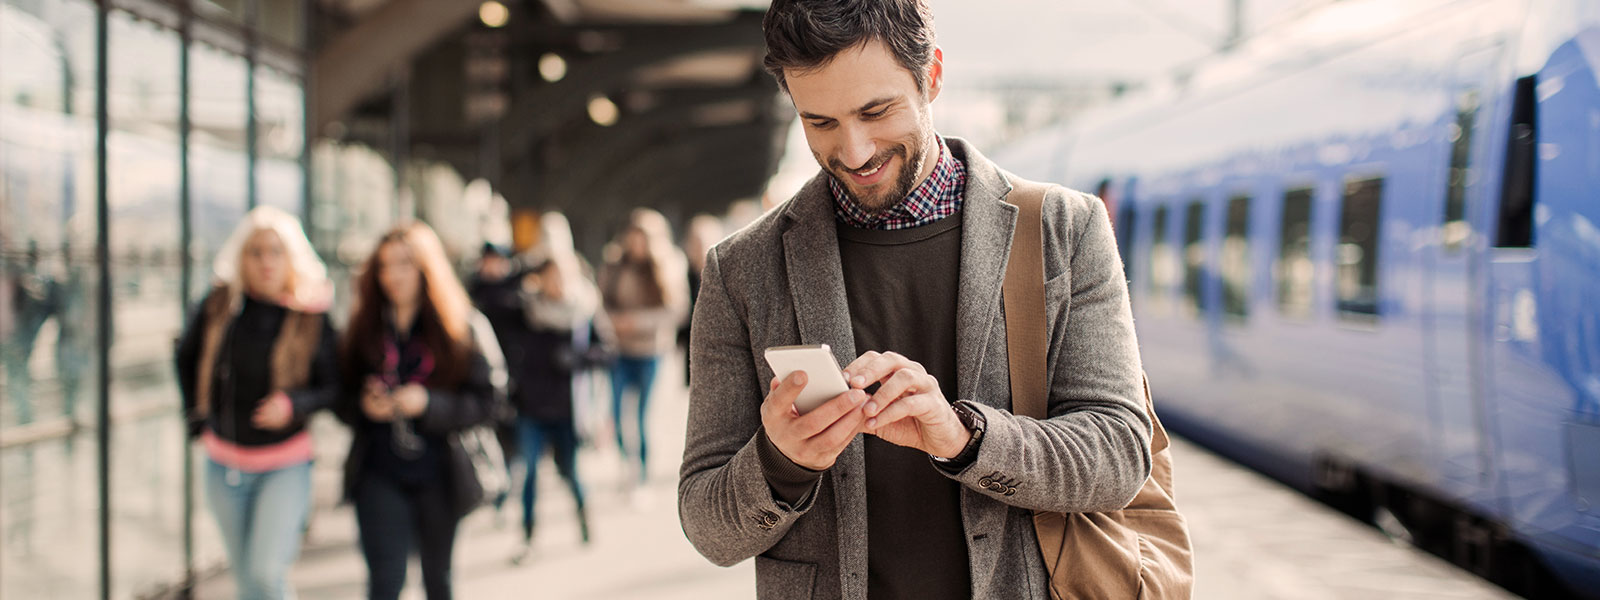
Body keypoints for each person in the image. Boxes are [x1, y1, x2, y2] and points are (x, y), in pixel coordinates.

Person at [677, 2, 1154, 599]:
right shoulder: (741, 270)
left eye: (875, 112)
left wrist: (963, 439)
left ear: (931, 76)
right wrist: (778, 463)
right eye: (820, 122)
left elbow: (1119, 453)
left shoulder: (1064, 228)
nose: (853, 151)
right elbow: (706, 525)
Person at [175, 206, 339, 600]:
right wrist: (196, 418)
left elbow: (335, 387)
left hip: (284, 464)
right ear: (240, 257)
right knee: (247, 581)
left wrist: (293, 404)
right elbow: (185, 356)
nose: (266, 262)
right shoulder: (220, 306)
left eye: (275, 252)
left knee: (267, 572)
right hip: (224, 465)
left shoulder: (310, 315)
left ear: (292, 257)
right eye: (256, 252)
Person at [336, 223, 504, 600]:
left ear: (427, 268)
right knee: (385, 581)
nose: (393, 276)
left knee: (438, 582)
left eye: (404, 264)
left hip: (441, 472)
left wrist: (429, 404)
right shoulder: (364, 328)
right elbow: (341, 395)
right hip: (380, 470)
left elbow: (492, 400)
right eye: (384, 266)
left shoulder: (463, 326)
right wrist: (363, 405)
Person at [508, 212, 602, 563]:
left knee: (572, 474)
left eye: (563, 275)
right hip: (531, 408)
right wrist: (527, 260)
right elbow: (494, 296)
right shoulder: (525, 309)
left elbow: (604, 352)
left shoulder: (584, 311)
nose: (557, 283)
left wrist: (576, 359)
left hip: (568, 410)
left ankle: (583, 514)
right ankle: (528, 535)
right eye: (550, 275)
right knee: (528, 474)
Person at [598, 208, 687, 489]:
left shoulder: (667, 265)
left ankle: (644, 473)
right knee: (617, 412)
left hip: (652, 352)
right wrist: (614, 323)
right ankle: (627, 465)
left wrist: (634, 322)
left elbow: (676, 310)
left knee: (643, 417)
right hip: (619, 351)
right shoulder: (613, 266)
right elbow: (599, 305)